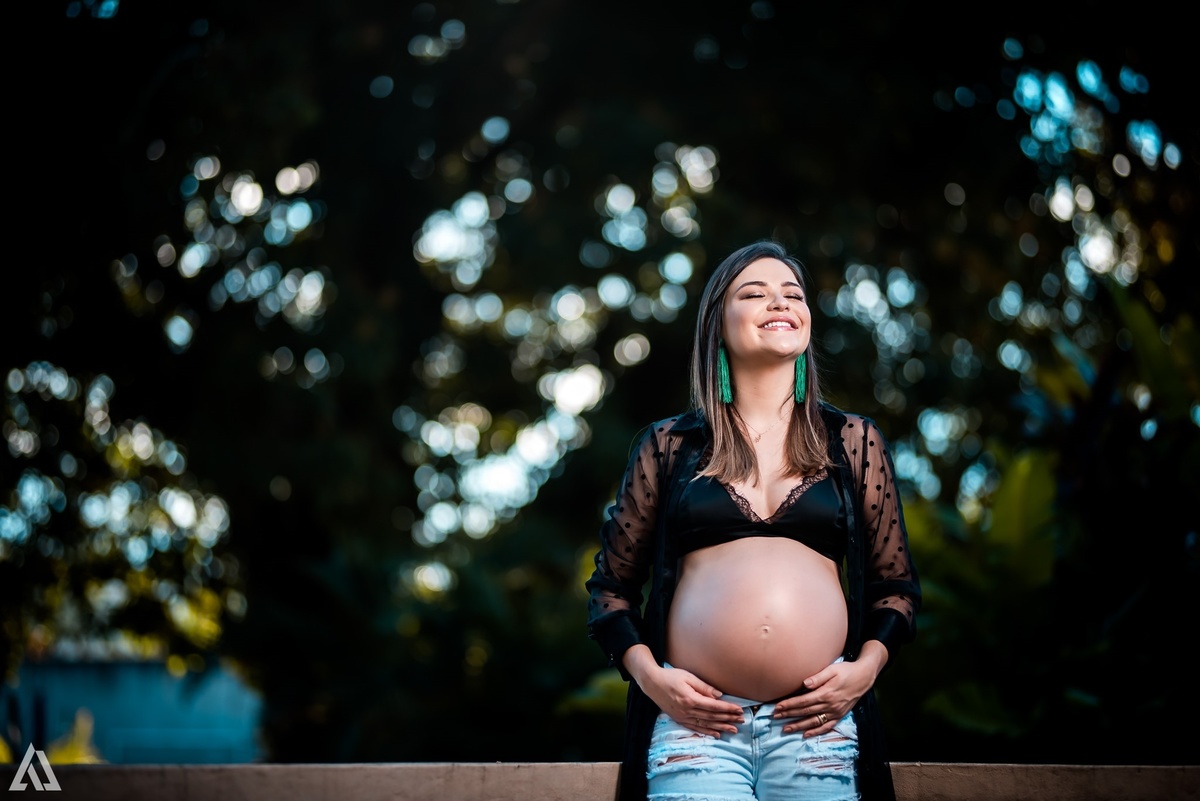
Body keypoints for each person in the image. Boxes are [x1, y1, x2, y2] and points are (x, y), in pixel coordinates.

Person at [585, 239, 921, 801]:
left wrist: (863, 671)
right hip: (697, 730)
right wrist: (652, 680)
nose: (780, 302)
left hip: (816, 729)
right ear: (717, 323)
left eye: (793, 294)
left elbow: (896, 589)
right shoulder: (669, 446)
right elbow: (610, 592)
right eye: (754, 293)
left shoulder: (853, 442)